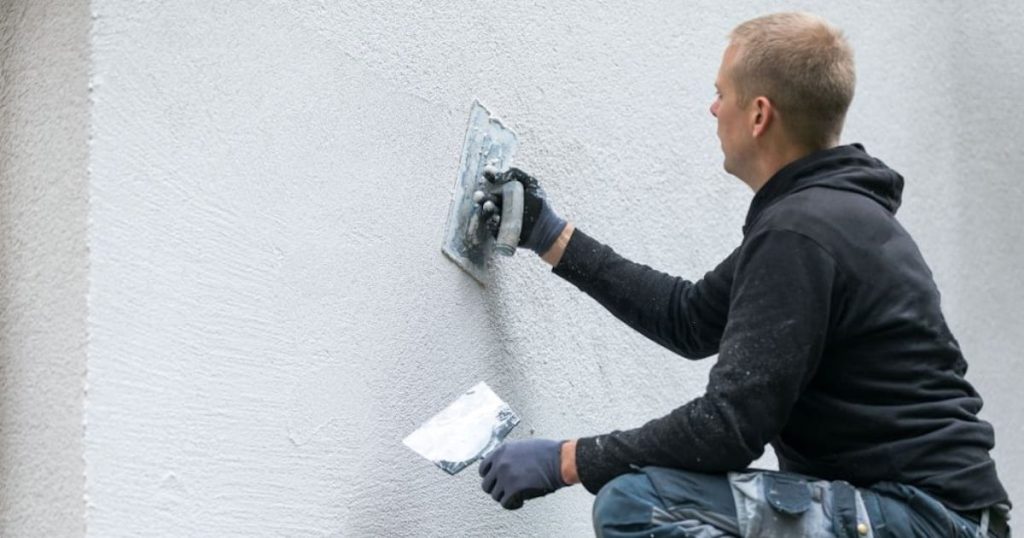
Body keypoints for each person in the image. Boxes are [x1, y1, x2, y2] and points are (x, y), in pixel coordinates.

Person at [475, 12, 1011, 538]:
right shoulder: (824, 220)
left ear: (758, 115)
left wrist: (569, 460)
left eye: (721, 93)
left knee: (637, 506)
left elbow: (727, 428)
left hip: (922, 518)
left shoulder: (802, 234)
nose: (712, 109)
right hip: (929, 514)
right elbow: (687, 318)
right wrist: (549, 235)